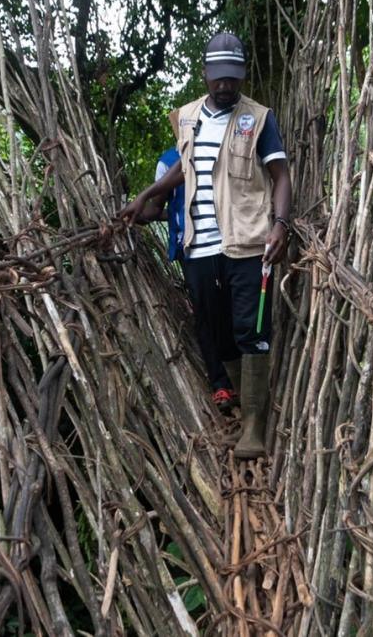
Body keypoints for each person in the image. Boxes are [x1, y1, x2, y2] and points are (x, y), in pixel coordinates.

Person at [119, 32, 292, 459]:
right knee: (217, 331)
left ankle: (255, 425)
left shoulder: (260, 119)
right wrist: (149, 193)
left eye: (233, 78)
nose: (225, 86)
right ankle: (236, 400)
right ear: (205, 74)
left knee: (251, 331)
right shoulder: (189, 117)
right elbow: (186, 164)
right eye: (218, 78)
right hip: (200, 248)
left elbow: (281, 176)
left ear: (242, 75)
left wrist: (281, 224)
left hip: (248, 243)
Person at [138, 147, 238, 412]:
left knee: (234, 308)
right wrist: (134, 212)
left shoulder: (222, 147)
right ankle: (221, 384)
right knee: (205, 314)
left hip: (231, 242)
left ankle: (240, 376)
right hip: (192, 248)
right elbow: (159, 207)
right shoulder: (167, 161)